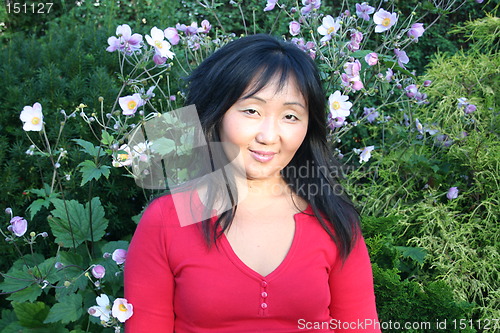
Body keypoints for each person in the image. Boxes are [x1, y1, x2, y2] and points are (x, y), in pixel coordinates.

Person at [124, 34, 381, 332]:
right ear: (216, 112)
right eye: (251, 111)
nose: (269, 136)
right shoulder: (166, 221)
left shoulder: (333, 221)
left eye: (290, 115)